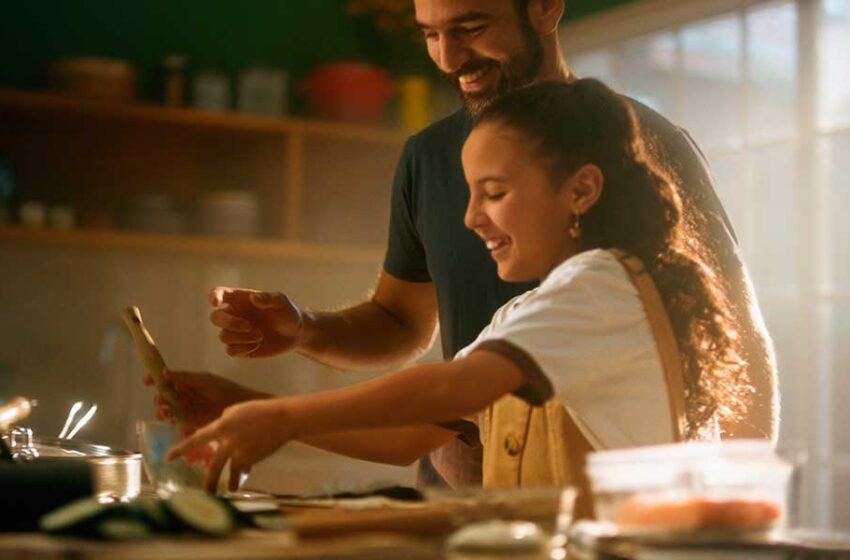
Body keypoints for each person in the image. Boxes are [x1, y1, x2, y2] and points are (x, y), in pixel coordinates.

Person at [201, 0, 778, 488]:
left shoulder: (600, 286)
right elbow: (422, 425)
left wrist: (736, 500)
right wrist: (244, 405)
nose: (472, 218)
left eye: (471, 28)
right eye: (430, 34)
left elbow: (451, 385)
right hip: (507, 525)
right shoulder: (518, 308)